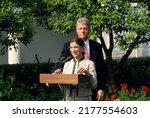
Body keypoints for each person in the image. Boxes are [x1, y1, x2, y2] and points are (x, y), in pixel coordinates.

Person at [54, 17, 107, 101]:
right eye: (80, 28)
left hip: (91, 90)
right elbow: (61, 61)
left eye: (85, 28)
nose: (83, 31)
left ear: (89, 30)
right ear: (76, 30)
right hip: (71, 95)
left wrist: (101, 88)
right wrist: (56, 71)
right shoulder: (69, 45)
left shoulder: (97, 47)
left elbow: (101, 70)